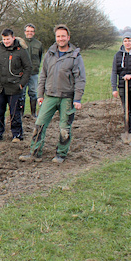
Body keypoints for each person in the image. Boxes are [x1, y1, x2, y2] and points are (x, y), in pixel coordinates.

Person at [19, 24, 86, 164]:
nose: (60, 39)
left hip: (67, 97)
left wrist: (78, 98)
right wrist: (40, 94)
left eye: (63, 36)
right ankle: (34, 153)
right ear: (55, 38)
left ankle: (61, 154)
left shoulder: (75, 56)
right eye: (58, 36)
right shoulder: (50, 54)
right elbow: (42, 75)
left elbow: (80, 78)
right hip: (49, 95)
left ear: (68, 37)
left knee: (64, 127)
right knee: (39, 124)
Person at [0, 28, 32, 142]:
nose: (6, 41)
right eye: (4, 39)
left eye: (8, 39)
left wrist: (22, 84)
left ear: (13, 37)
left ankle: (17, 135)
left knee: (14, 113)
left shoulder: (21, 51)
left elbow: (28, 68)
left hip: (14, 87)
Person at [23, 23, 43, 118]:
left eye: (31, 31)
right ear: (25, 32)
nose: (29, 33)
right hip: (22, 73)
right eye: (28, 31)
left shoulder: (38, 44)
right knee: (21, 93)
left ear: (34, 33)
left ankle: (33, 113)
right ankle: (21, 114)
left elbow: (40, 57)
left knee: (33, 93)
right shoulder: (20, 43)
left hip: (34, 73)